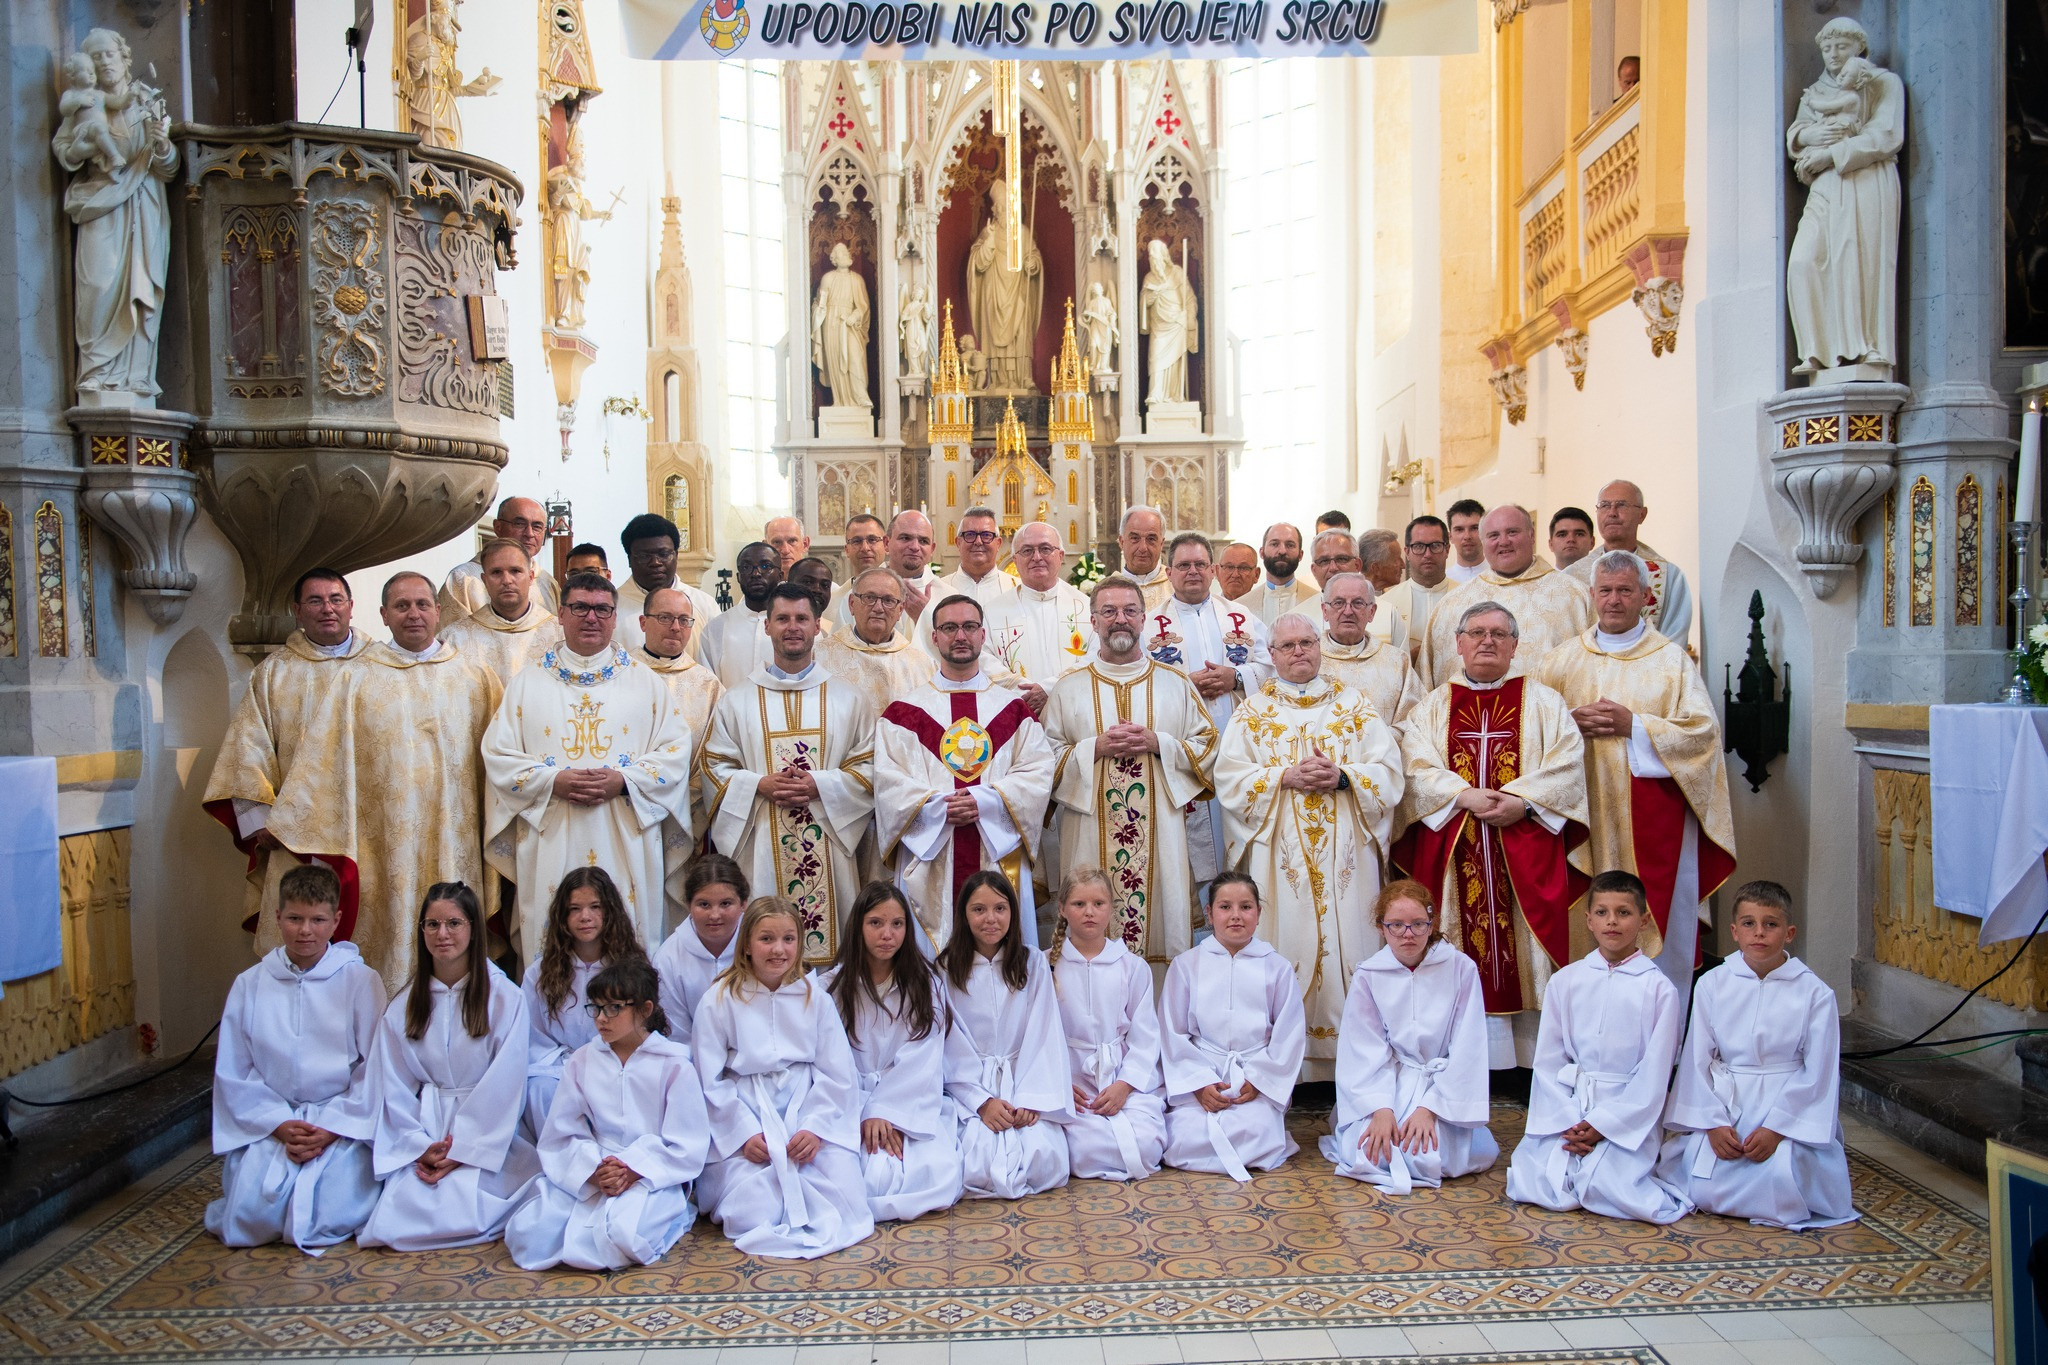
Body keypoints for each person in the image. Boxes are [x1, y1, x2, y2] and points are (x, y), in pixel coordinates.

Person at [1392, 602, 1590, 1069]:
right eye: (1476, 633)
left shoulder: (1544, 702)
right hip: (1456, 847)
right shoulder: (1434, 706)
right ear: (1458, 644)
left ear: (1515, 645)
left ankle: (1530, 1060)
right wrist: (1463, 796)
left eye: (1499, 634)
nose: (1487, 642)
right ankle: (1462, 1060)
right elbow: (1414, 766)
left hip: (1525, 845)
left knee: (1524, 948)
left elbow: (1567, 763)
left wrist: (1522, 801)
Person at [1537, 551, 1735, 1000]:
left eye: (1625, 590)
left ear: (1645, 597)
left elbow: (1703, 735)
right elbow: (1535, 733)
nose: (1614, 600)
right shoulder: (1560, 662)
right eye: (1605, 590)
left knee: (1654, 918)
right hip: (1582, 815)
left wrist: (1637, 728)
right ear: (1591, 595)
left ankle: (1660, 1026)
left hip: (1652, 823)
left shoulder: (1671, 661)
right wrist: (1568, 722)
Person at [1213, 614, 1403, 1078]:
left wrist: (1344, 776)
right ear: (1272, 655)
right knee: (1284, 937)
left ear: (1320, 647)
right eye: (1287, 646)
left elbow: (1390, 772)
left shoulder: (1354, 706)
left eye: (1306, 643)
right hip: (1280, 858)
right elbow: (1229, 778)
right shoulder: (1253, 711)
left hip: (1346, 858)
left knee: (1349, 941)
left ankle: (1352, 1063)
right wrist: (1284, 776)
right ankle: (1284, 1065)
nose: (1299, 652)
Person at [482, 573, 697, 960]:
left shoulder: (645, 684)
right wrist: (552, 780)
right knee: (552, 943)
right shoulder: (526, 684)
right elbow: (498, 756)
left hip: (625, 834)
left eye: (602, 609)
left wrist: (625, 780)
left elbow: (676, 752)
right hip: (552, 833)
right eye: (580, 607)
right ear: (561, 614)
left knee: (627, 941)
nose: (591, 618)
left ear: (616, 618)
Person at [331, 572, 504, 987]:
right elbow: (327, 767)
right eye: (402, 606)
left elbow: (500, 762)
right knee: (395, 929)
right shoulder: (354, 679)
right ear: (384, 615)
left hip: (457, 836)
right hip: (385, 845)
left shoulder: (473, 677)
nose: (414, 614)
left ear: (438, 612)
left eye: (422, 604)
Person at [206, 864, 386, 1253]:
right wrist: (280, 1123)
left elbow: (375, 1067)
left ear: (336, 920)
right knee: (251, 1215)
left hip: (338, 1121)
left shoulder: (359, 980)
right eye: (295, 919)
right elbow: (236, 1071)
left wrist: (332, 1126)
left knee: (332, 1209)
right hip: (275, 1118)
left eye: (318, 920)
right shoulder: (251, 984)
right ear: (277, 917)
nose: (306, 931)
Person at [1656, 881, 1856, 1230]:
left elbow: (1819, 1072)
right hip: (1727, 1105)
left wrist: (1777, 1129)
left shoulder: (1815, 993)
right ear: (1734, 931)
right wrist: (1714, 1124)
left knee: (1782, 1178)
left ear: (1789, 932)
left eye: (1771, 924)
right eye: (1749, 923)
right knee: (1703, 1184)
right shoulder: (1713, 984)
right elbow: (1695, 1060)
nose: (1759, 933)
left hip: (1785, 1106)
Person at [1041, 579, 1218, 967]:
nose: (1119, 620)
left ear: (1144, 619)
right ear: (1093, 621)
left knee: (1161, 933)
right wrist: (1094, 749)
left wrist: (1159, 743)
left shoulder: (1176, 683)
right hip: (1088, 831)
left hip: (1161, 836)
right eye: (1108, 612)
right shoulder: (1067, 688)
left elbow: (1208, 746)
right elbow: (1041, 759)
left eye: (1128, 611)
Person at [700, 583, 876, 966]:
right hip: (761, 846)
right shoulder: (738, 700)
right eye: (782, 618)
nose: (792, 627)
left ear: (817, 627)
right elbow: (713, 768)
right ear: (767, 627)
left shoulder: (849, 699)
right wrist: (758, 784)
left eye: (801, 619)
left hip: (829, 849)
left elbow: (870, 767)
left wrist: (821, 784)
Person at [359, 884, 542, 1251]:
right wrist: (418, 1145)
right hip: (426, 1130)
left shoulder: (505, 997)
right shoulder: (405, 1004)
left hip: (487, 1132)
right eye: (432, 924)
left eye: (454, 923)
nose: (442, 934)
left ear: (474, 928)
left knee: (469, 1204)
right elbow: (391, 1084)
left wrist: (465, 1150)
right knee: (402, 1213)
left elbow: (506, 1083)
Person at [1503, 871, 1692, 1225]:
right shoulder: (1566, 981)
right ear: (1588, 920)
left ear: (1644, 920)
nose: (1612, 922)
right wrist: (1570, 1120)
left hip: (1627, 1112)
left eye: (1624, 912)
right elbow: (1548, 1061)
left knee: (1610, 1185)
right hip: (1572, 1105)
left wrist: (1604, 1124)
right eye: (1602, 912)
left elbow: (1655, 1072)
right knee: (1536, 1180)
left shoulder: (1659, 990)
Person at [692, 897, 875, 1258]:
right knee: (752, 1208)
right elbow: (708, 1079)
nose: (779, 949)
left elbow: (837, 1073)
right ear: (746, 944)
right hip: (748, 1108)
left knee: (844, 1197)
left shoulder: (815, 998)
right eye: (767, 939)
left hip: (805, 1103)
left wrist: (815, 1128)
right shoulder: (719, 999)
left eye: (789, 939)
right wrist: (743, 1133)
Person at [504, 957, 708, 1270]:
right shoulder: (583, 1060)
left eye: (614, 1008)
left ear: (645, 1009)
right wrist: (594, 1169)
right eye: (596, 1008)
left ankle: (675, 1213)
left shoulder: (675, 1064)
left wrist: (632, 1168)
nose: (602, 1018)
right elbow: (561, 1133)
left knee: (624, 1235)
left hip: (650, 1173)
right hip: (595, 1169)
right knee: (531, 1233)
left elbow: (686, 1142)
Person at [874, 594, 1055, 948]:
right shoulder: (903, 714)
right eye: (950, 627)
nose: (961, 635)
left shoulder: (1013, 711)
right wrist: (939, 807)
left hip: (995, 848)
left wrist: (983, 802)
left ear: (982, 635)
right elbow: (888, 782)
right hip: (933, 850)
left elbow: (1037, 772)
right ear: (934, 637)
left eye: (970, 626)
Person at [203, 567, 367, 945]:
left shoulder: (380, 666)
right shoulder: (274, 673)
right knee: (304, 930)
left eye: (335, 599)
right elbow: (248, 746)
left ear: (351, 607)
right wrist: (258, 817)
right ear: (297, 610)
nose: (327, 609)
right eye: (315, 600)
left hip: (368, 824)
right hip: (295, 829)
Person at [1320, 881, 1497, 1194]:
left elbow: (1468, 1046)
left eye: (1418, 924)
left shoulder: (1460, 969)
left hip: (1440, 1086)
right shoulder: (1370, 975)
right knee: (1367, 1150)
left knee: (1430, 1153)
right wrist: (1380, 1110)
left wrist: (1429, 1109)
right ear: (1381, 928)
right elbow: (1363, 1049)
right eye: (1396, 925)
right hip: (1390, 1082)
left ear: (1432, 924)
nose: (1408, 933)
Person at [820, 883, 965, 1222]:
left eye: (897, 924)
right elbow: (828, 1060)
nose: (887, 934)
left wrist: (887, 1111)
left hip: (908, 1102)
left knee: (932, 1172)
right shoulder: (830, 987)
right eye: (876, 923)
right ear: (858, 925)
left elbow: (924, 1054)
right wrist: (865, 1111)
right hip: (850, 1101)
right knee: (855, 1174)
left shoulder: (926, 983)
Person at [1145, 533, 1272, 894]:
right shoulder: (1150, 624)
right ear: (1168, 572)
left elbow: (1272, 668)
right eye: (1183, 565)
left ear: (1213, 570)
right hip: (1182, 752)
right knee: (1191, 844)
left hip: (1240, 748)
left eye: (1201, 564)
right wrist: (1186, 685)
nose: (1193, 572)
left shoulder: (1243, 618)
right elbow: (1139, 680)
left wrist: (1236, 676)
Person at [1159, 875, 1305, 1181]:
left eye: (1246, 906)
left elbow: (1288, 1034)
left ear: (1258, 913)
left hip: (1253, 1074)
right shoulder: (1186, 965)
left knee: (1256, 1133)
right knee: (1183, 1137)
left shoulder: (1276, 967)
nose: (1236, 915)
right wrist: (1198, 1084)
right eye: (1225, 907)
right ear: (1210, 914)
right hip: (1203, 1074)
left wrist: (1260, 1080)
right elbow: (1172, 1032)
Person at [939, 871, 1073, 1200]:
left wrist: (1032, 1099)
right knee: (973, 1161)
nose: (990, 919)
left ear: (1013, 912)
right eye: (978, 909)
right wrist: (981, 1102)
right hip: (971, 1088)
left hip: (1024, 1079)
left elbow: (1045, 1032)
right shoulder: (944, 968)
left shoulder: (1032, 963)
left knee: (1045, 1158)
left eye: (1000, 908)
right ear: (963, 915)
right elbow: (946, 1046)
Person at [1049, 868, 1167, 1182]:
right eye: (1078, 904)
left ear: (1111, 908)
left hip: (1119, 1075)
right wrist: (1058, 1083)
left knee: (1147, 1144)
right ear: (1062, 909)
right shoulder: (1045, 966)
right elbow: (1037, 1036)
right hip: (1071, 1083)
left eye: (1098, 903)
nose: (1089, 911)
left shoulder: (1132, 966)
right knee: (1084, 1148)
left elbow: (1144, 1037)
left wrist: (1123, 1086)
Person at [519, 868, 646, 1139]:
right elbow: (531, 1037)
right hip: (558, 1067)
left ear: (610, 911)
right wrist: (573, 1064)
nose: (585, 917)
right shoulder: (540, 973)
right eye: (574, 909)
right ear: (562, 917)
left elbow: (645, 1029)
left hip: (618, 1063)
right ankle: (565, 1162)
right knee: (540, 1089)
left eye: (595, 907)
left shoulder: (632, 968)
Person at [1417, 506, 1592, 690]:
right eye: (1493, 535)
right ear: (1483, 542)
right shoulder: (1452, 604)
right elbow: (1427, 687)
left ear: (1532, 535)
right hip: (1469, 716)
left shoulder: (1574, 596)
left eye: (1512, 532)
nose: (1504, 541)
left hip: (1550, 717)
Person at [633, 586, 724, 839]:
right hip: (627, 807)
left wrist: (684, 800)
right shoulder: (621, 674)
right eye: (664, 618)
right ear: (643, 622)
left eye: (684, 620)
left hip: (685, 809)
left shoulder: (708, 685)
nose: (675, 627)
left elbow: (715, 756)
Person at [981, 521, 1095, 710]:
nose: (1036, 557)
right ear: (1015, 560)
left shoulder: (1087, 607)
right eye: (1026, 551)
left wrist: (1049, 689)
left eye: (1045, 549)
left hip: (1073, 711)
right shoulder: (993, 611)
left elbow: (1096, 656)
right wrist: (1024, 693)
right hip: (1016, 712)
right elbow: (984, 659)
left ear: (1061, 556)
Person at [1563, 481, 1694, 644]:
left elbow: (1674, 643)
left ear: (1642, 514)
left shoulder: (1670, 577)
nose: (1612, 513)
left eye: (1621, 505)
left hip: (1649, 668)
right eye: (1604, 505)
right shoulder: (1570, 577)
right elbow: (1564, 640)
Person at [653, 855, 749, 1046]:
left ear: (744, 904)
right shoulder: (668, 958)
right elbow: (676, 1034)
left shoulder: (759, 944)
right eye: (704, 904)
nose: (714, 915)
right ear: (688, 904)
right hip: (691, 1063)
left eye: (726, 904)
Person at [440, 538, 558, 689]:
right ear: (484, 580)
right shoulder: (454, 639)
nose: (507, 580)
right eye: (496, 572)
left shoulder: (559, 635)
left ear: (530, 577)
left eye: (515, 571)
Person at [816, 567, 935, 715]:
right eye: (869, 598)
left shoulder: (921, 665)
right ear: (852, 604)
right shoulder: (820, 657)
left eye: (888, 600)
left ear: (901, 610)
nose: (878, 608)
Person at [1317, 573, 1423, 725]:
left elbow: (1417, 719)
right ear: (1325, 611)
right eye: (1339, 603)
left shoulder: (1398, 662)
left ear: (1371, 612)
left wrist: (1377, 742)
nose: (1348, 611)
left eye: (1358, 603)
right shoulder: (1307, 661)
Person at [439, 497, 560, 620]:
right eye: (519, 524)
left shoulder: (547, 583)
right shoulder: (462, 580)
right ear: (498, 527)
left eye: (537, 526)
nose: (529, 533)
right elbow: (453, 635)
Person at [617, 513, 720, 657]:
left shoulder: (704, 605)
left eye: (664, 554)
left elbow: (717, 662)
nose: (655, 562)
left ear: (676, 556)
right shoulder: (613, 608)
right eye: (645, 556)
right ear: (629, 559)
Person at [697, 542, 783, 689]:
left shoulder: (795, 627)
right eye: (747, 567)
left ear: (780, 575)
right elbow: (708, 689)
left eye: (765, 566)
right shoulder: (717, 628)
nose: (756, 574)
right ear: (738, 577)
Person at [1380, 516, 1454, 664]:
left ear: (1447, 550)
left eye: (1435, 546)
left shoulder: (1468, 597)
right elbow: (1381, 663)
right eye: (1419, 546)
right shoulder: (1386, 604)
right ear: (1407, 552)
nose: (1427, 554)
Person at [1242, 522, 1317, 627]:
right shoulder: (1243, 606)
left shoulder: (1316, 602)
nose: (1282, 551)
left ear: (1300, 555)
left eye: (1290, 545)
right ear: (1262, 553)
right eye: (1274, 544)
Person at [936, 505, 1015, 603]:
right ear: (958, 543)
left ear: (998, 543)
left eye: (986, 535)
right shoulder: (939, 590)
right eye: (970, 535)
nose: (978, 541)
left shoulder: (1017, 590)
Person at [831, 512, 891, 632]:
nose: (865, 548)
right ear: (847, 550)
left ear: (886, 544)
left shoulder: (901, 596)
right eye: (857, 541)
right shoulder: (833, 602)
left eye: (872, 540)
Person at [1355, 529, 1411, 649]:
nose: (1403, 565)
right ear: (1376, 568)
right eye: (1397, 559)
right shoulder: (1352, 605)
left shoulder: (1399, 599)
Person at [887, 509, 941, 624]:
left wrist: (926, 617)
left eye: (923, 541)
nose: (915, 547)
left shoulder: (948, 596)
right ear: (886, 543)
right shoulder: (862, 593)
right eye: (905, 538)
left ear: (932, 549)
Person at [1114, 505, 1172, 610]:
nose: (1143, 548)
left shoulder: (1177, 586)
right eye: (1135, 538)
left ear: (1161, 544)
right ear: (1122, 542)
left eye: (1151, 539)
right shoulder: (1106, 589)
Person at [1444, 499, 1487, 584]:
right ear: (1450, 537)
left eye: (1474, 528)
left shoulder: (1501, 576)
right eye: (1459, 530)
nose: (1467, 536)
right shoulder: (1443, 582)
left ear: (1485, 532)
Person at [1547, 507, 1596, 571]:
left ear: (1592, 542)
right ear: (1551, 544)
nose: (1571, 539)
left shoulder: (1605, 580)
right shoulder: (1541, 581)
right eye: (1562, 535)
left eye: (1579, 534)